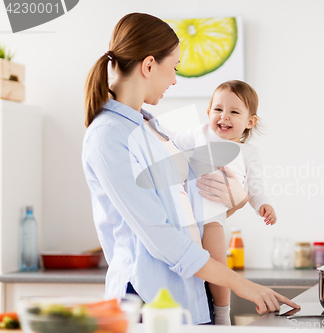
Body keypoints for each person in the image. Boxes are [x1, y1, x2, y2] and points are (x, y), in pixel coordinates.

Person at [81, 12, 298, 325]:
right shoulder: (109, 136)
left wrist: (235, 201)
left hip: (190, 296)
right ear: (149, 65)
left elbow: (186, 216)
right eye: (174, 68)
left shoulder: (153, 130)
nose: (174, 80)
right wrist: (242, 284)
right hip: (149, 301)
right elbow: (161, 237)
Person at [166, 80, 277, 324]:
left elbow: (255, 186)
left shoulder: (249, 153)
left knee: (217, 263)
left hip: (213, 216)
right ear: (208, 112)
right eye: (218, 109)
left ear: (250, 122)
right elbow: (169, 140)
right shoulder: (198, 134)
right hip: (185, 214)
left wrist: (263, 205)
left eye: (234, 112)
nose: (223, 117)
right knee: (190, 263)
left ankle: (221, 312)